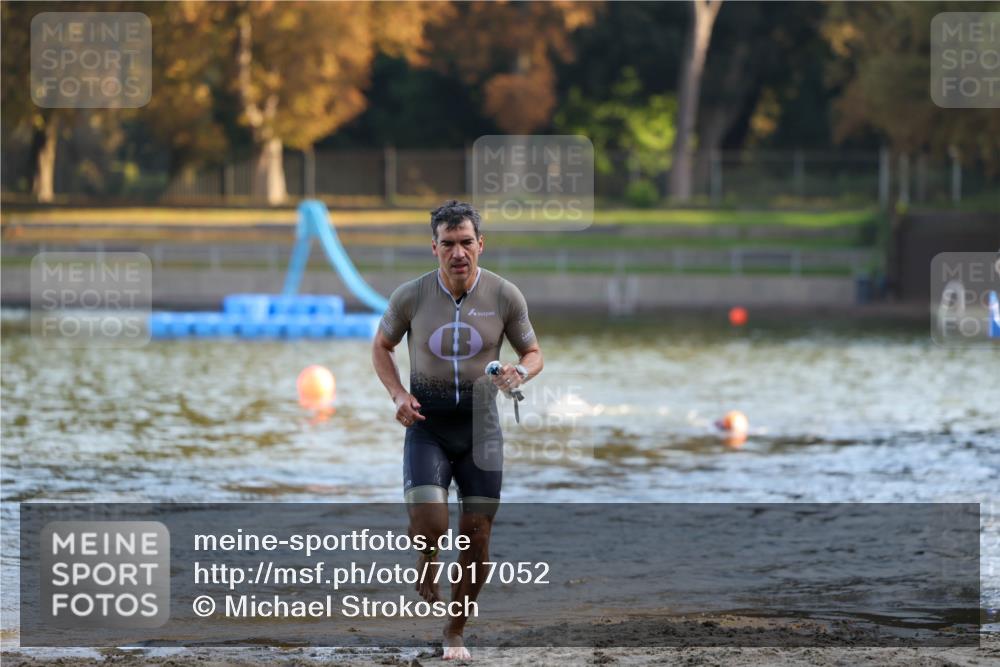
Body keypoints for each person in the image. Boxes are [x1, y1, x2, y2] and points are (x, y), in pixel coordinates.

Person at [372, 200, 543, 660]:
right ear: (434, 248)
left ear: (480, 244)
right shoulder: (410, 296)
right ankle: (426, 560)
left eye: (466, 242)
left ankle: (455, 630)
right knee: (430, 526)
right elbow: (381, 347)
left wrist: (519, 374)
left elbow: (533, 354)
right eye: (448, 244)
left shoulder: (506, 295)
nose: (458, 253)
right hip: (427, 425)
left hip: (482, 430)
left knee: (477, 534)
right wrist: (398, 396)